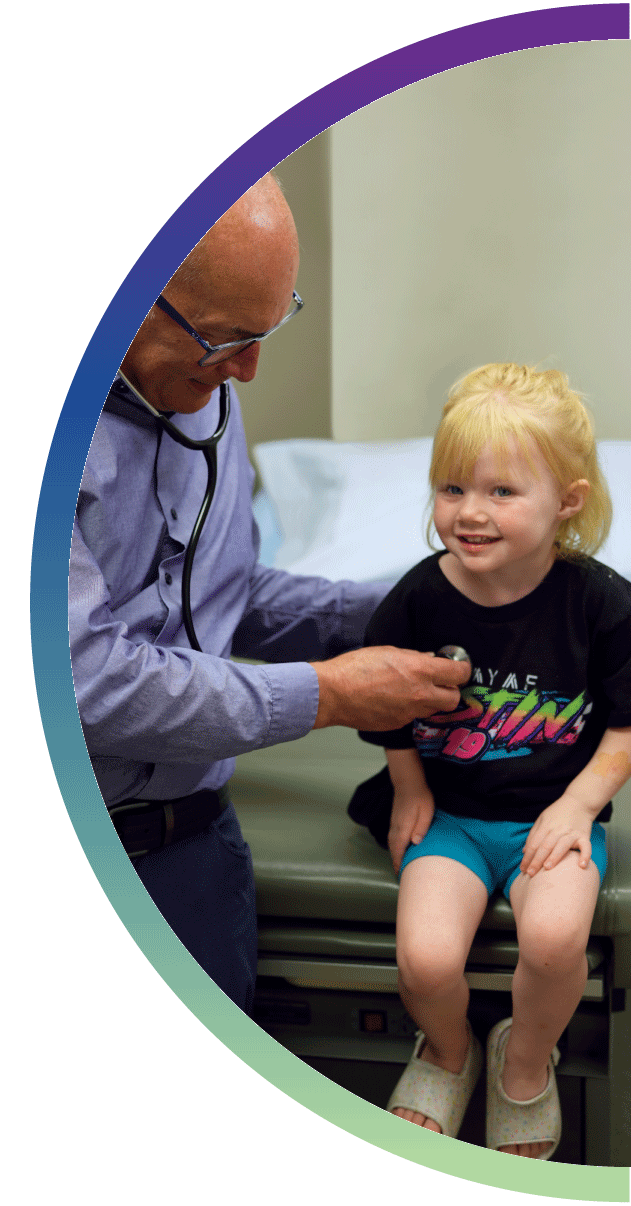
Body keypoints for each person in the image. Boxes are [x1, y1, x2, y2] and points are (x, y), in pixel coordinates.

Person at [68, 174, 469, 1015]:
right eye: (223, 341)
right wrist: (329, 695)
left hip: (194, 852)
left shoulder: (201, 388)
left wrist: (425, 601)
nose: (246, 372)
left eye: (266, 331)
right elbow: (84, 680)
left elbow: (226, 593)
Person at [356, 363, 631, 1159]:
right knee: (426, 956)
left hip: (550, 817)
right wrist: (406, 783)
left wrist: (577, 807)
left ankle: (520, 1063)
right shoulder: (413, 600)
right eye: (451, 489)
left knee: (552, 943)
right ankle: (448, 1051)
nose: (468, 513)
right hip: (451, 820)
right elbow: (383, 701)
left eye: (501, 493)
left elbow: (622, 728)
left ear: (566, 503)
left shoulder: (600, 604)